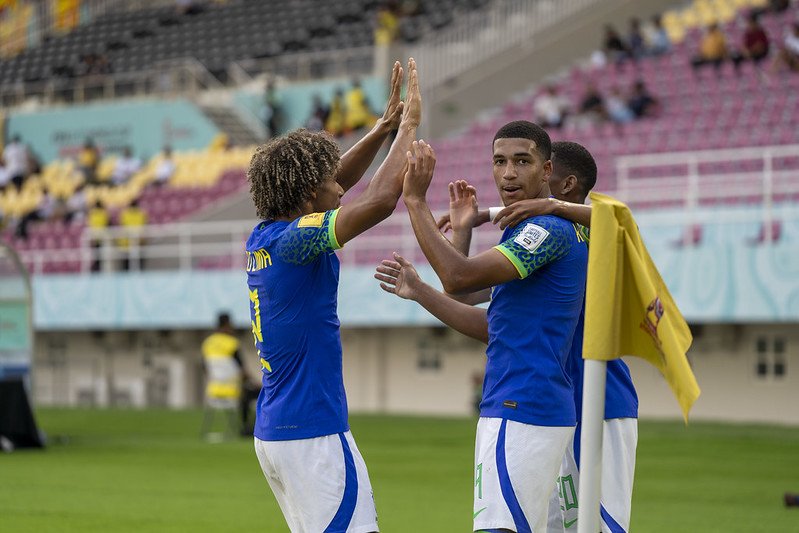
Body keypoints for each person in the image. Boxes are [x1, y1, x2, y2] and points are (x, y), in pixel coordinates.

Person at [376, 121, 588, 532]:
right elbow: (474, 306)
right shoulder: (533, 230)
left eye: (522, 161)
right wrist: (421, 288)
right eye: (499, 161)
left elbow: (459, 278)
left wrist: (415, 200)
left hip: (522, 405)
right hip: (529, 405)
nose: (508, 172)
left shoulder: (546, 229)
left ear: (547, 171)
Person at [427, 141, 639, 533]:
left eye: (541, 171)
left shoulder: (588, 232)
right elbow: (465, 289)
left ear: (564, 183)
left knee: (600, 527)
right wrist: (467, 225)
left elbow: (622, 219)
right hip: (555, 405)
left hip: (601, 402)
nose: (518, 178)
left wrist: (548, 208)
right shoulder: (547, 239)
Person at [246, 59, 419, 533]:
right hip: (312, 433)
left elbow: (333, 179)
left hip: (278, 433)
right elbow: (381, 201)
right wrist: (409, 128)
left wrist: (383, 128)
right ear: (307, 197)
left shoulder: (266, 236)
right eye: (329, 182)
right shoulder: (297, 240)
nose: (340, 187)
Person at [200, 312, 259, 437]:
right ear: (227, 325)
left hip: (213, 389)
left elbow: (205, 368)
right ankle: (248, 428)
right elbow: (242, 370)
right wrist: (255, 382)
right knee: (256, 392)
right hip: (233, 389)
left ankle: (246, 428)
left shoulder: (207, 343)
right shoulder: (231, 343)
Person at [117, 199, 148, 271]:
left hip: (125, 243)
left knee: (125, 266)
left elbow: (121, 226)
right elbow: (144, 226)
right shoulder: (142, 214)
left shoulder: (124, 214)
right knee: (139, 265)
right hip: (139, 242)